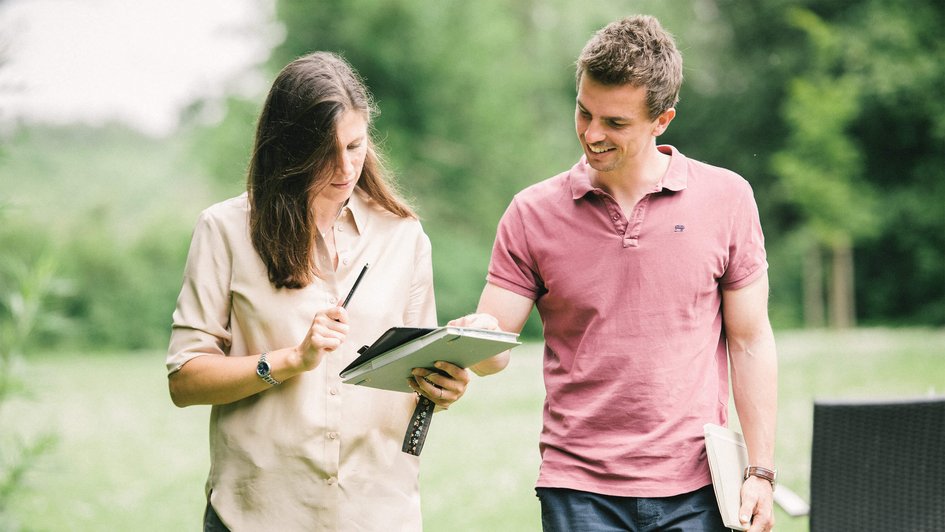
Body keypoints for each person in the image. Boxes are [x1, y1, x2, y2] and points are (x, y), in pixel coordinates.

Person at [460, 15, 778, 532]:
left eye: (615, 123)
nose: (591, 133)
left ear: (662, 120)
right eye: (583, 113)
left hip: (698, 487)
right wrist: (467, 339)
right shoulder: (531, 213)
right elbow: (493, 350)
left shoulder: (728, 199)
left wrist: (760, 472)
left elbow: (750, 342)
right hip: (578, 490)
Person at [166, 51, 471, 531]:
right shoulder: (224, 230)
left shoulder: (404, 235)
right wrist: (290, 361)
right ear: (286, 148)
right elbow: (184, 381)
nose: (345, 167)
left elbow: (413, 380)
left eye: (355, 145)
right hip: (257, 514)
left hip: (377, 512)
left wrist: (441, 387)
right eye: (324, 151)